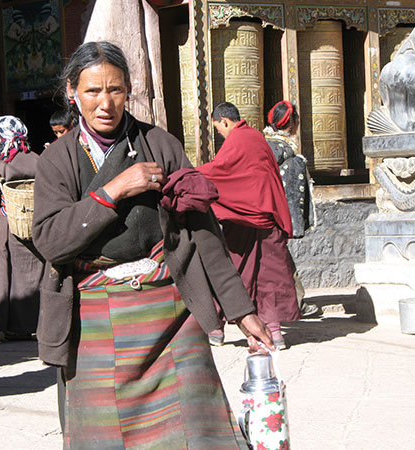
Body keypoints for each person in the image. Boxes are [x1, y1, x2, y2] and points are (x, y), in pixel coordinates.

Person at [32, 41, 273, 449]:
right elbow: (53, 242)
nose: (105, 103)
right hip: (95, 315)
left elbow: (202, 232)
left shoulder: (160, 144)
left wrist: (241, 310)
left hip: (169, 310)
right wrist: (112, 190)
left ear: (129, 90)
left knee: (194, 432)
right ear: (72, 92)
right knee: (104, 438)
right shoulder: (57, 160)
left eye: (116, 90)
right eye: (92, 91)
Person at [196, 102, 300, 350]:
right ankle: (275, 333)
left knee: (230, 271)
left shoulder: (237, 139)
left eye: (218, 128)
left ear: (224, 121)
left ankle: (216, 329)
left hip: (242, 217)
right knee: (271, 275)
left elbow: (221, 171)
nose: (220, 133)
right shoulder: (256, 137)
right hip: (268, 214)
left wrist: (191, 174)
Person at [0, 116, 44, 340]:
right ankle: (38, 322)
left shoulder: (0, 164)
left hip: (8, 224)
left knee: (5, 272)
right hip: (36, 223)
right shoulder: (38, 160)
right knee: (36, 272)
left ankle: (4, 326)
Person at [263, 100, 318, 317]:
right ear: (292, 123)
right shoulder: (285, 152)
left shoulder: (263, 144)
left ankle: (296, 302)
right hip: (273, 214)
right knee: (279, 259)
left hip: (260, 211)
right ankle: (296, 303)